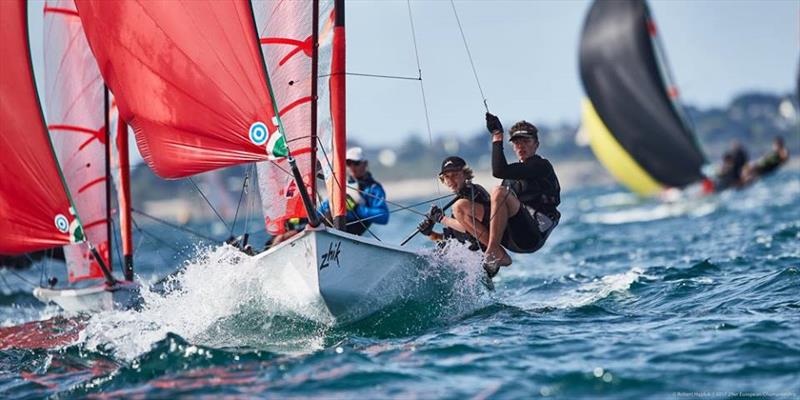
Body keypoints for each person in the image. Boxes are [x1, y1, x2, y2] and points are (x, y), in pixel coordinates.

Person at [482, 113, 561, 277]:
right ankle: (478, 261)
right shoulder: (512, 176)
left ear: (536, 144)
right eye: (517, 142)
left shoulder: (541, 166)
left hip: (533, 235)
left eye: (526, 141)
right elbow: (491, 208)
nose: (521, 146)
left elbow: (498, 171)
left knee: (498, 192)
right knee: (463, 207)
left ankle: (493, 252)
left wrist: (497, 135)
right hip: (513, 236)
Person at [417, 156, 492, 251]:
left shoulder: (475, 193)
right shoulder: (458, 203)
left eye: (455, 175)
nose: (450, 180)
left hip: (485, 253)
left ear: (465, 174)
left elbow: (469, 228)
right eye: (447, 176)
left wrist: (441, 218)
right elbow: (450, 241)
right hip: (471, 257)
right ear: (443, 180)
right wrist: (430, 233)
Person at [318, 147, 389, 235]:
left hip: (352, 233)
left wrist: (356, 209)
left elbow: (384, 217)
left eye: (356, 163)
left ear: (365, 164)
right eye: (348, 163)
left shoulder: (373, 188)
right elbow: (324, 207)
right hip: (331, 230)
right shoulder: (341, 185)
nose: (352, 167)